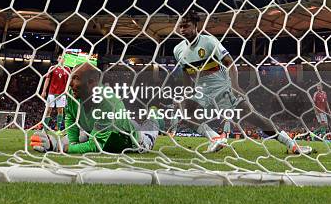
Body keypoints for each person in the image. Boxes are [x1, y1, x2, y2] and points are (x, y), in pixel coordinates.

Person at [172, 10, 311, 154]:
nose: (183, 30)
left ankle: (292, 144)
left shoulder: (209, 42)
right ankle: (215, 138)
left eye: (186, 26)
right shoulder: (178, 50)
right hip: (202, 91)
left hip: (222, 88)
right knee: (186, 112)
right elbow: (186, 72)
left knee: (255, 118)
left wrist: (235, 85)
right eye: (181, 27)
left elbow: (229, 62)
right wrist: (187, 92)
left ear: (195, 26)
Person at [30, 62, 161, 154]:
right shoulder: (72, 93)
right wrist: (73, 144)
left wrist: (58, 147)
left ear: (92, 82)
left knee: (151, 125)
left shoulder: (108, 102)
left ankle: (154, 112)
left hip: (133, 142)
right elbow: (70, 115)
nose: (70, 83)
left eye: (75, 78)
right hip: (98, 130)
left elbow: (95, 146)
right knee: (79, 137)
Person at [41, 55, 71, 131]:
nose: (61, 59)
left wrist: (69, 92)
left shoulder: (67, 69)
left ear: (64, 60)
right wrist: (44, 91)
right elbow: (47, 79)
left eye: (62, 58)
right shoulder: (52, 68)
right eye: (59, 58)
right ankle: (44, 129)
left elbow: (70, 82)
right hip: (51, 93)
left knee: (60, 111)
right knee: (48, 110)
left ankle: (58, 129)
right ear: (57, 59)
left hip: (62, 93)